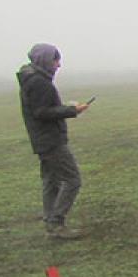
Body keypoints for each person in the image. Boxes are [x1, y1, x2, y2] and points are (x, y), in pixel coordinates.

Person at [17, 43, 91, 239]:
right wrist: (72, 110)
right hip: (50, 140)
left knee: (51, 181)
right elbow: (42, 112)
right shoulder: (39, 83)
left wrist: (68, 109)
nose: (58, 65)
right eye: (55, 60)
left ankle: (51, 224)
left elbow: (42, 109)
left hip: (42, 140)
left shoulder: (32, 80)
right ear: (45, 60)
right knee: (72, 179)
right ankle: (56, 222)